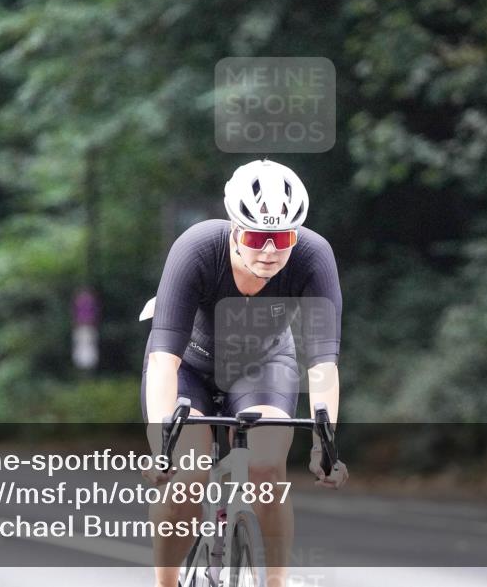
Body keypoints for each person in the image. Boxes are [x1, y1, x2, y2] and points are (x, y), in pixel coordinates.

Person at [140, 160, 349, 587]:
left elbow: (323, 364)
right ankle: (164, 582)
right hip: (190, 367)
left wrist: (324, 448)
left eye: (282, 237)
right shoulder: (197, 247)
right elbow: (165, 360)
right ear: (235, 229)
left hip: (263, 366)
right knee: (188, 473)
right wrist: (164, 443)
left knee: (268, 467)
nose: (270, 251)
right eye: (257, 237)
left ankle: (274, 581)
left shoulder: (313, 256)